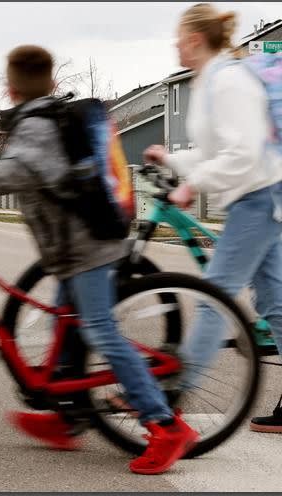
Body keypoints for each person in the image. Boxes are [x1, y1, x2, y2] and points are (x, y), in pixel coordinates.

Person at [0, 44, 198, 475]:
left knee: (100, 331)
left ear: (10, 89)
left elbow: (6, 174)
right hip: (73, 250)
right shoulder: (44, 120)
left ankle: (164, 425)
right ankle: (69, 418)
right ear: (53, 83)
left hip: (87, 249)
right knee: (65, 331)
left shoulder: (37, 128)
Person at [144, 3, 282, 434]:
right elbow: (214, 152)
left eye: (179, 37)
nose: (174, 45)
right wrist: (172, 159)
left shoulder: (228, 81)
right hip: (259, 196)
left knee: (213, 298)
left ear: (195, 39)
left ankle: (169, 401)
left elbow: (243, 154)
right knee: (277, 306)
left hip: (257, 198)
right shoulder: (211, 80)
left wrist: (192, 185)